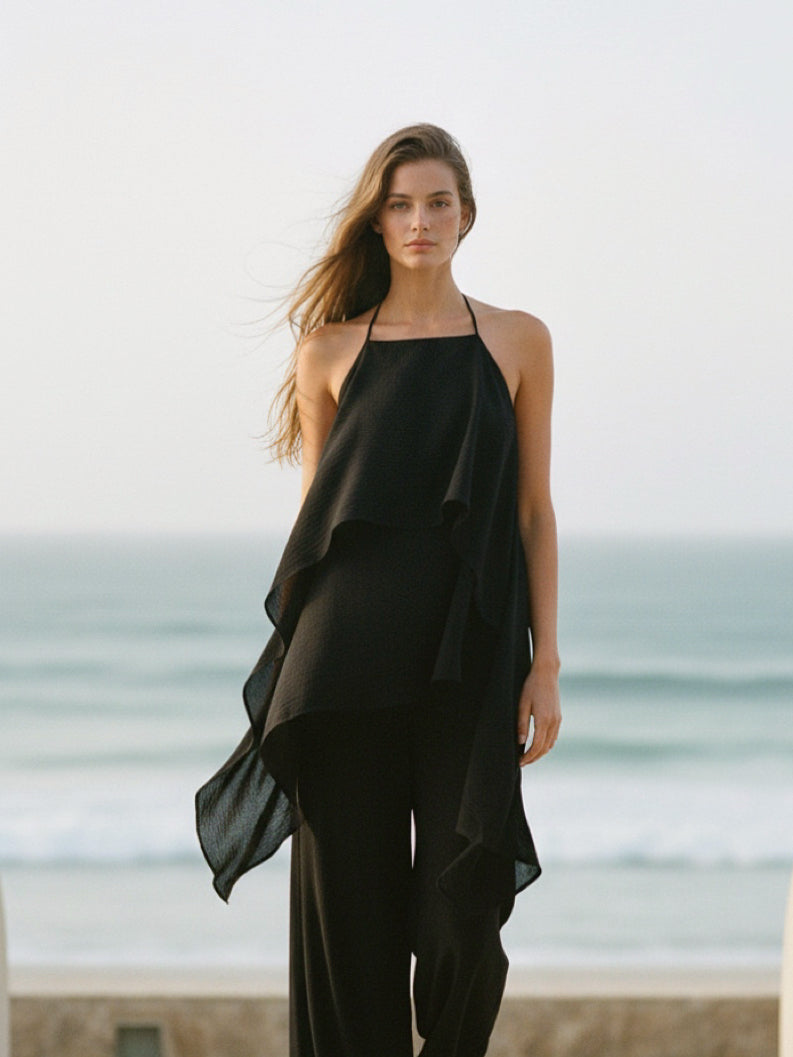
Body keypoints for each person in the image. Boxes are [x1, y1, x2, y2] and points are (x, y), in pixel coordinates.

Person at [196, 123, 561, 1057]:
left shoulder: (518, 340)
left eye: (437, 202)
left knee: (459, 920)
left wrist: (545, 662)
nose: (419, 221)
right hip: (343, 667)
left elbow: (530, 512)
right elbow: (324, 529)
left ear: (466, 214)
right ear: (376, 220)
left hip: (466, 663)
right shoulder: (326, 352)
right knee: (346, 938)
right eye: (399, 204)